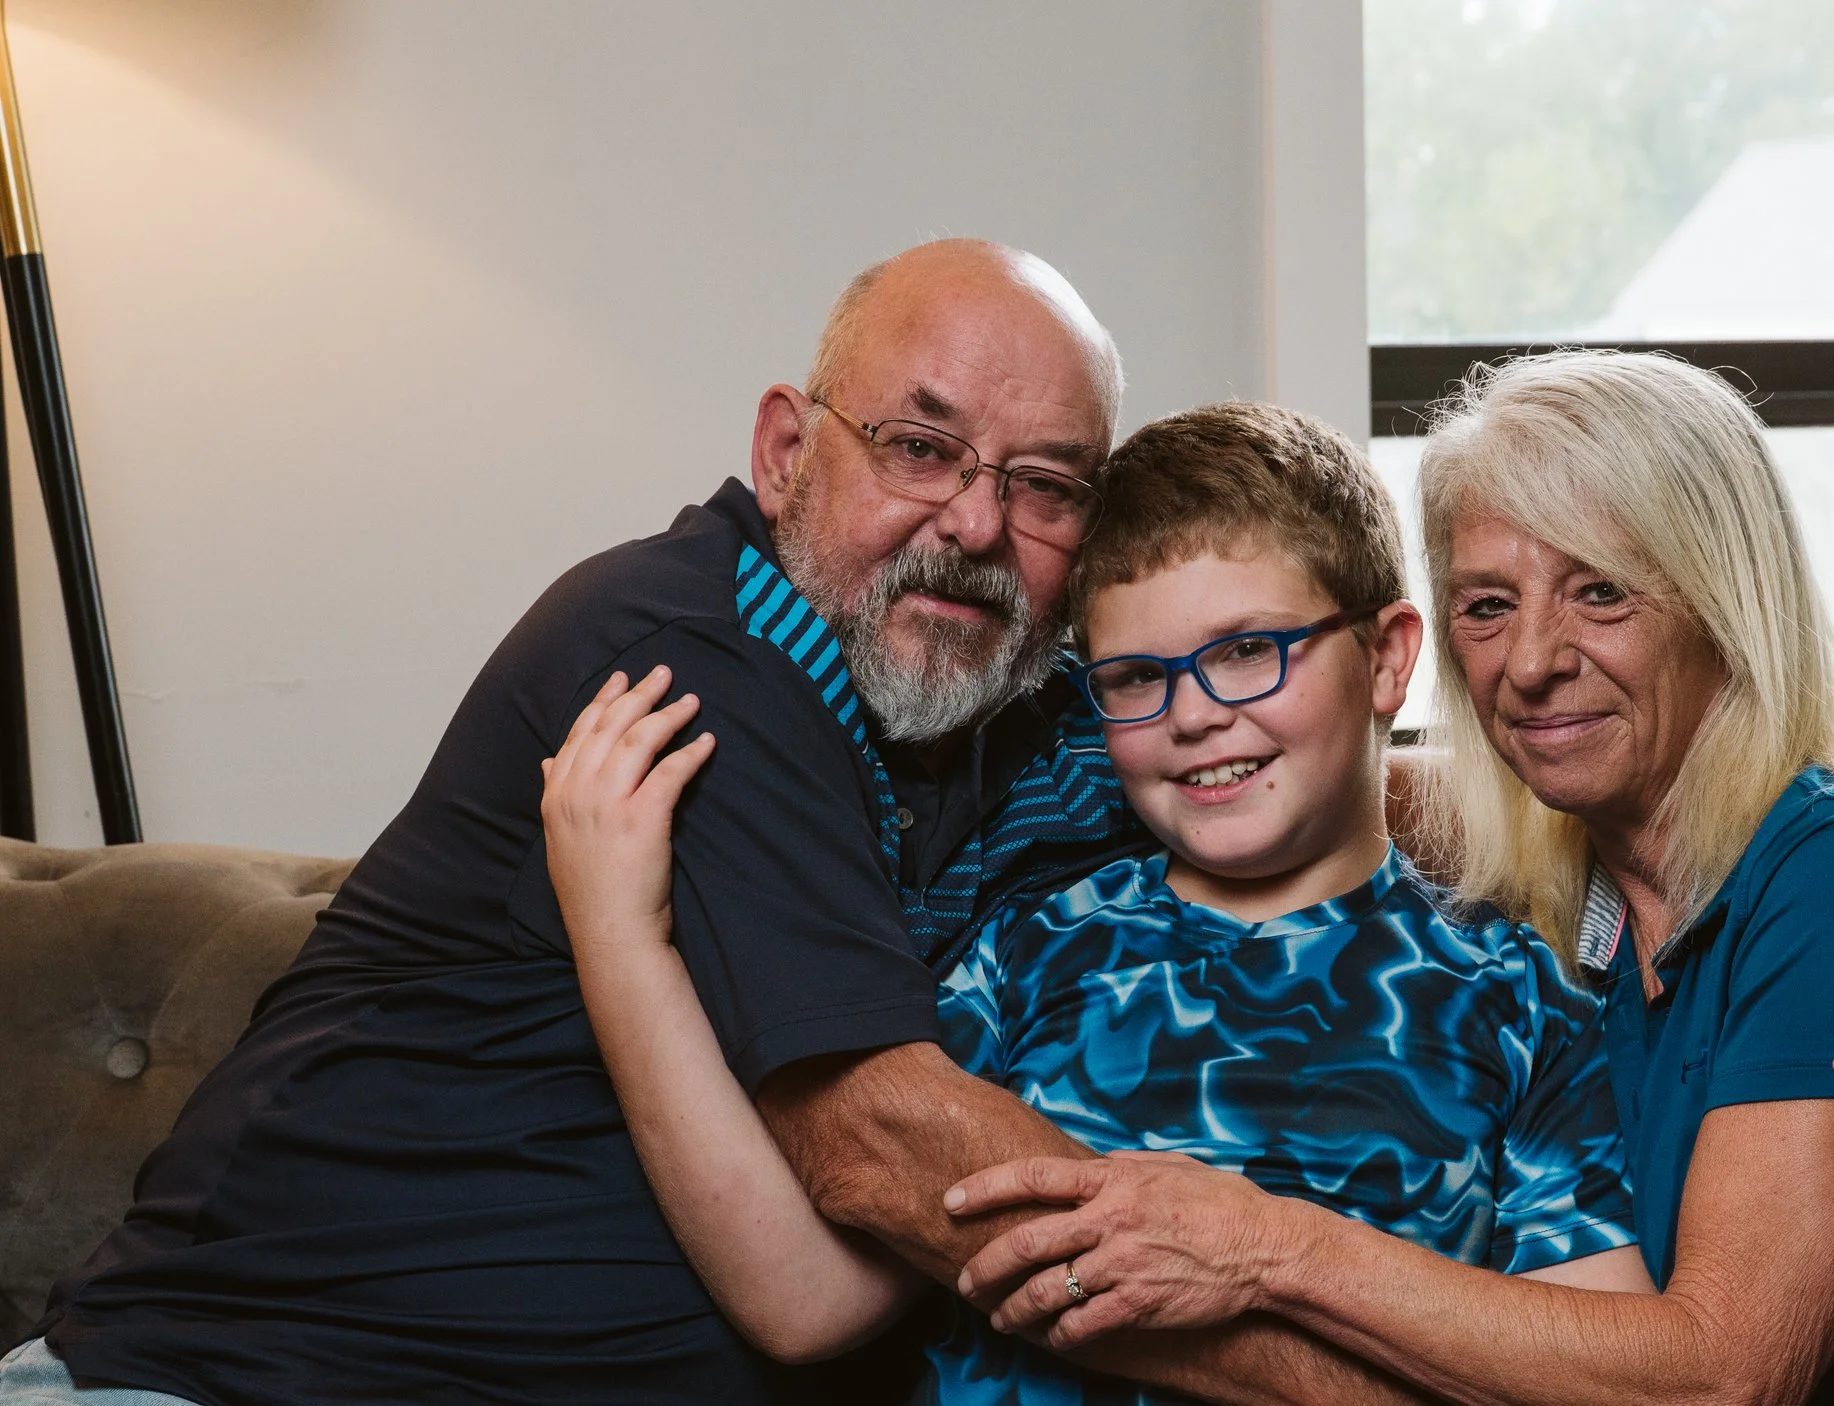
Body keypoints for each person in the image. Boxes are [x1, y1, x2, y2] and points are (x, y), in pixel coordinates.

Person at [12, 240, 1427, 1405]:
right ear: (786, 449)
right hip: (241, 1379)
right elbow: (879, 1149)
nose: (976, 524)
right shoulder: (680, 649)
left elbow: (1291, 764)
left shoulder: (1038, 716)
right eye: (920, 445)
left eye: (1046, 483)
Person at [535, 401, 1834, 1404]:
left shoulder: (1513, 996)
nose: (1194, 715)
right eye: (1134, 678)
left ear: (1385, 661)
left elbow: (1628, 1369)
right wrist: (622, 934)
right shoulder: (1030, 956)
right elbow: (803, 1299)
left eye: (1249, 654)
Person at [943, 352, 1834, 1405]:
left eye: (1602, 593)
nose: (1530, 663)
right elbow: (1306, 776)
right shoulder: (1568, 899)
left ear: (1722, 602)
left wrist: (1263, 1245)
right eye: (1488, 604)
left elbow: (1724, 1371)